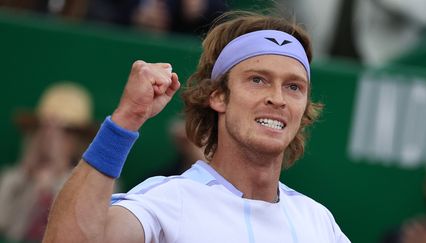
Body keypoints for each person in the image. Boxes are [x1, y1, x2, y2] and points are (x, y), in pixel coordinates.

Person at [43, 11, 350, 243]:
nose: (277, 98)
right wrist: (125, 120)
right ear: (218, 96)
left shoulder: (319, 222)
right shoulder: (168, 199)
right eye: (258, 80)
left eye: (294, 87)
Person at [0, 82, 96, 242]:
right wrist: (26, 174)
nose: (53, 138)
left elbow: (82, 231)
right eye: (44, 128)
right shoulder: (13, 177)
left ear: (80, 139)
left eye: (67, 131)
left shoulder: (98, 182)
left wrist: (59, 172)